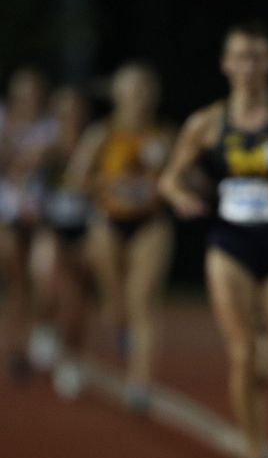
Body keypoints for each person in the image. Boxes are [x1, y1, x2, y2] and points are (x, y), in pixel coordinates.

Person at [159, 21, 268, 458]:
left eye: (256, 57)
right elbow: (169, 178)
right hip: (230, 245)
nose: (248, 66)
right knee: (242, 352)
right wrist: (181, 197)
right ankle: (255, 454)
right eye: (239, 57)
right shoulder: (207, 123)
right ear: (226, 65)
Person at [67, 61, 175, 411]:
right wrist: (111, 184)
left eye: (146, 89)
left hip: (151, 223)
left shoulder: (164, 136)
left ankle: (139, 384)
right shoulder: (102, 134)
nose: (139, 97)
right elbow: (74, 180)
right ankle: (118, 326)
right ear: (118, 94)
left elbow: (180, 179)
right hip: (108, 223)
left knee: (141, 298)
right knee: (115, 305)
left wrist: (165, 187)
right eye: (133, 90)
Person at [0, 67, 57, 381]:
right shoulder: (3, 120)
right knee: (18, 284)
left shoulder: (51, 125)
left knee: (46, 278)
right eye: (23, 94)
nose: (29, 101)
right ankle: (15, 350)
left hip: (41, 218)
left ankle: (42, 329)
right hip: (7, 218)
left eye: (36, 94)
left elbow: (54, 154)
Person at [37, 85, 94, 398]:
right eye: (64, 112)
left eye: (76, 111)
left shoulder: (94, 145)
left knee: (77, 300)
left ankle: (72, 359)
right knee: (47, 281)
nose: (70, 117)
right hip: (51, 227)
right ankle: (44, 325)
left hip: (84, 229)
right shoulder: (47, 149)